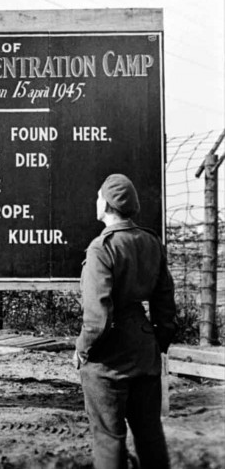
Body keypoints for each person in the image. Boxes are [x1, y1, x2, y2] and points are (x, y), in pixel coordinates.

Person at [74, 173, 176, 469]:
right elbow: (165, 304)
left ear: (106, 204)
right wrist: (158, 342)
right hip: (145, 350)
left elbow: (97, 318)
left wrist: (82, 349)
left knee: (108, 437)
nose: (96, 201)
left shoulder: (101, 248)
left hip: (109, 359)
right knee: (150, 434)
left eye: (98, 197)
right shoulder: (151, 242)